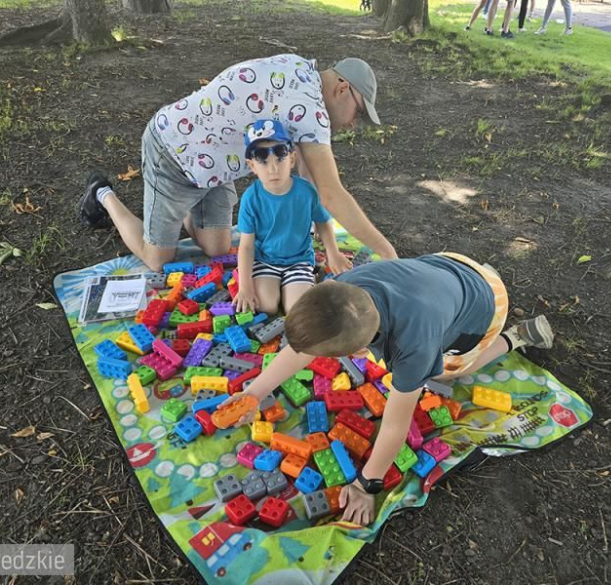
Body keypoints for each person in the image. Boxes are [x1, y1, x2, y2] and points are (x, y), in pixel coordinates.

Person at [218, 252, 555, 526]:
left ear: (356, 352)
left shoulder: (415, 348)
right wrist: (255, 393)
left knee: (448, 372)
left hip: (486, 305)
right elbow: (300, 349)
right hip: (454, 264)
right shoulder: (342, 290)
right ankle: (486, 277)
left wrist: (367, 484)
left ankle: (517, 336)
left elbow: (396, 424)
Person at [78, 54, 397, 272]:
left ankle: (179, 213)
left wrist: (315, 227)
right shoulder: (310, 110)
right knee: (158, 259)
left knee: (217, 249)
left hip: (213, 167)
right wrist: (388, 253)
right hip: (173, 152)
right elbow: (332, 193)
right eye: (359, 113)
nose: (354, 124)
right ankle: (103, 194)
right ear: (342, 88)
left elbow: (309, 175)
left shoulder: (302, 69)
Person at [233, 119, 352, 315]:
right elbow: (246, 245)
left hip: (299, 260)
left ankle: (319, 285)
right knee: (266, 306)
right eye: (263, 161)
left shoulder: (306, 192)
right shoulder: (251, 198)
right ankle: (282, 287)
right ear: (252, 166)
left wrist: (333, 253)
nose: (273, 169)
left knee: (296, 309)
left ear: (292, 159)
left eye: (279, 158)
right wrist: (245, 287)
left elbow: (323, 221)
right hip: (265, 260)